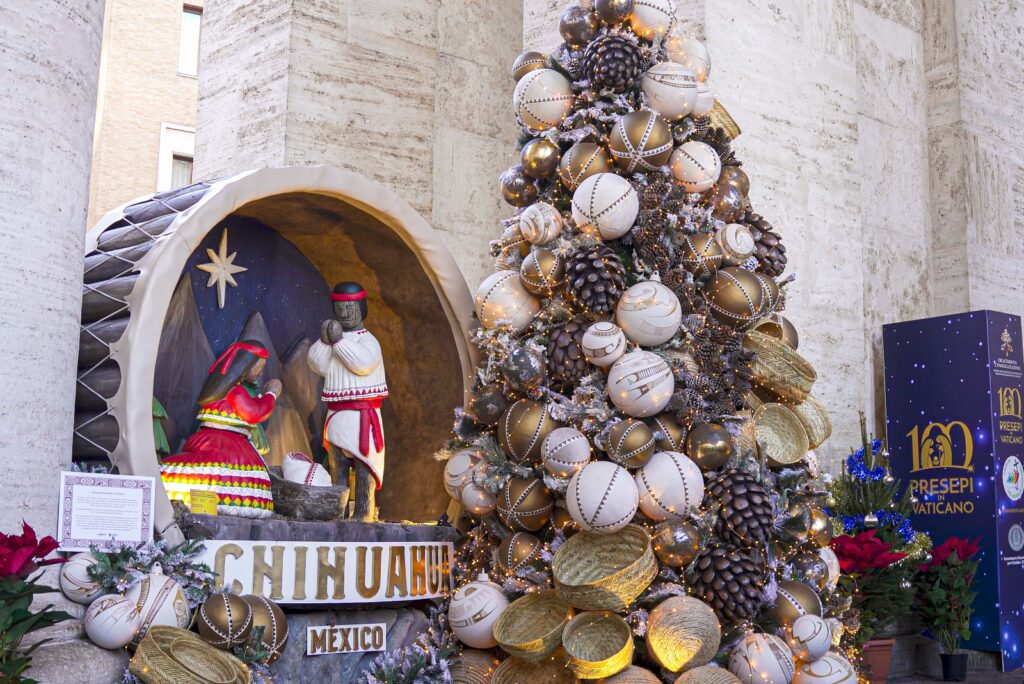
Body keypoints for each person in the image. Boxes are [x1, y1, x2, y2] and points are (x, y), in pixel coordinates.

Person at [160, 340, 280, 518]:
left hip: (212, 439)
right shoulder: (234, 391)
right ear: (246, 365)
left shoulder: (224, 389)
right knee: (225, 472)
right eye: (258, 368)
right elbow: (254, 413)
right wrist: (271, 394)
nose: (260, 373)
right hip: (224, 444)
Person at [308, 282, 388, 522]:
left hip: (362, 418)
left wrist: (338, 342)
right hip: (336, 416)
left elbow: (362, 363)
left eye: (350, 308)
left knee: (364, 469)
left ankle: (363, 512)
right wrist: (325, 342)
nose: (344, 314)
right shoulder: (333, 341)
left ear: (361, 308)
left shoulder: (368, 341)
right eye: (340, 308)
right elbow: (317, 364)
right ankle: (338, 512)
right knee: (337, 468)